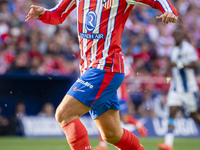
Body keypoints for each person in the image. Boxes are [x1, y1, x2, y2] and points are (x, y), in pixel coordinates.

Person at [26, 1, 178, 150]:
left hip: (105, 68)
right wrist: (43, 13)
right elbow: (58, 14)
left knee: (64, 115)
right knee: (112, 134)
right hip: (91, 70)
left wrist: (170, 10)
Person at [158, 26, 200, 150]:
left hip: (189, 89)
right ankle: (168, 144)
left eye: (178, 35)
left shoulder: (188, 48)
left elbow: (195, 64)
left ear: (182, 36)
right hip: (176, 88)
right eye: (174, 35)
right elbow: (172, 65)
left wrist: (179, 65)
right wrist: (167, 71)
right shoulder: (173, 50)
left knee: (194, 115)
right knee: (172, 111)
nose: (176, 37)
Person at [95, 55, 147, 150]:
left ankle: (137, 124)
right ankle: (102, 145)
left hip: (119, 93)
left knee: (124, 119)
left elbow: (129, 73)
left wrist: (115, 73)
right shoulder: (103, 52)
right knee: (103, 116)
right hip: (106, 91)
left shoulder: (121, 57)